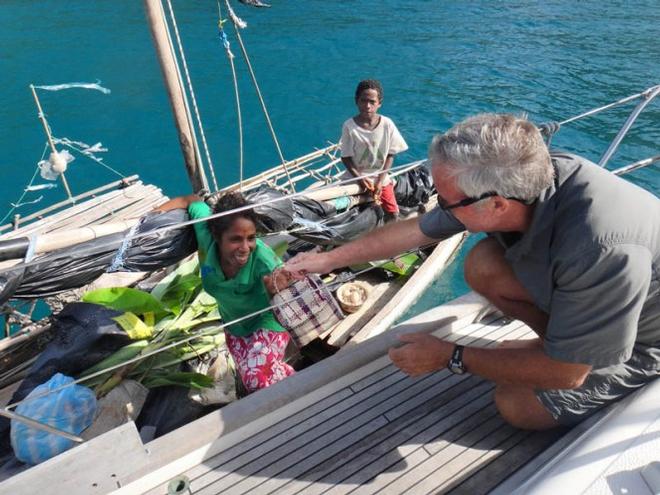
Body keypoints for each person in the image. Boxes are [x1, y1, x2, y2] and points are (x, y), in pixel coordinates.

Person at [286, 113, 659, 430]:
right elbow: (417, 229)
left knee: (516, 404)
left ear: (496, 204)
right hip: (594, 297)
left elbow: (569, 375)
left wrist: (451, 356)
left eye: (446, 201)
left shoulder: (600, 249)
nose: (439, 206)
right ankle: (554, 343)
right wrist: (327, 261)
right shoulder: (532, 177)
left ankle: (563, 351)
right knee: (484, 264)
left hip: (642, 340)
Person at [156, 192, 296, 393]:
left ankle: (294, 407)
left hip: (268, 321)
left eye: (251, 238)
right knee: (259, 376)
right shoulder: (205, 234)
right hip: (235, 326)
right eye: (236, 239)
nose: (245, 247)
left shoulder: (265, 262)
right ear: (216, 236)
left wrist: (277, 285)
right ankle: (300, 388)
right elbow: (191, 200)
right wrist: (152, 216)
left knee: (256, 378)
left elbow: (290, 291)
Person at [340, 79, 408, 222]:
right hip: (355, 178)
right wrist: (360, 179)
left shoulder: (387, 124)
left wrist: (380, 180)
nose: (367, 106)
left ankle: (388, 240)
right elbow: (346, 157)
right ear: (356, 101)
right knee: (347, 215)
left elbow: (391, 154)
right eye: (363, 101)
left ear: (379, 103)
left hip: (380, 178)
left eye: (372, 102)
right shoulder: (349, 126)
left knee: (392, 213)